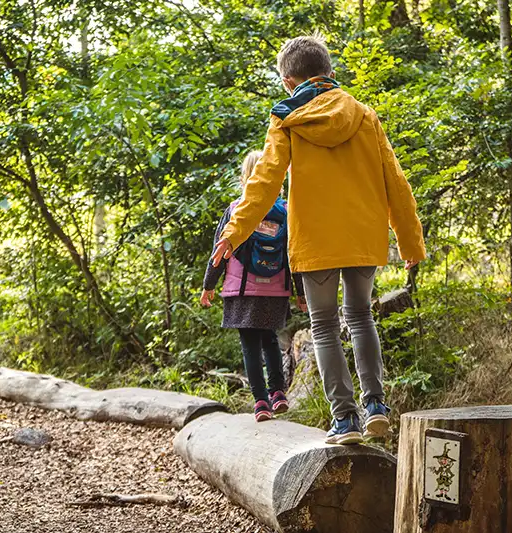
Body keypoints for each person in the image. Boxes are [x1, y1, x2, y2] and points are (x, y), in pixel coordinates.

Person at [211, 34, 426, 445]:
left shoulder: (287, 118)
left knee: (324, 326)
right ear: (328, 71)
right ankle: (376, 406)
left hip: (315, 240)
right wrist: (410, 242)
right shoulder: (364, 115)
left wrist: (235, 231)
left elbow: (263, 183)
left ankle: (345, 420)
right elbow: (396, 183)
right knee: (360, 317)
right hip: (362, 233)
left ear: (289, 81)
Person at [201, 150, 306, 422]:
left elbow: (219, 251)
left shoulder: (237, 210)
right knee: (270, 339)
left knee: (249, 343)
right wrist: (301, 293)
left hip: (242, 289)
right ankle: (279, 393)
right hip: (275, 289)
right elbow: (294, 254)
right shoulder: (285, 210)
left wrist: (208, 285)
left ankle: (261, 402)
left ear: (244, 176)